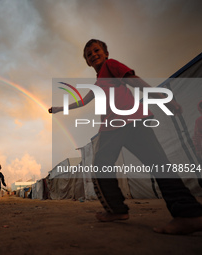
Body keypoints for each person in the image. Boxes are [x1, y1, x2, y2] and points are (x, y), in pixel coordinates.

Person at [49, 39, 202, 235]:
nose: (93, 55)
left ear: (106, 53)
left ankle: (120, 210)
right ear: (87, 62)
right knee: (158, 164)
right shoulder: (99, 82)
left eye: (97, 51)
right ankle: (188, 213)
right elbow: (82, 102)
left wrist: (163, 98)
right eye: (89, 54)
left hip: (119, 125)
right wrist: (59, 109)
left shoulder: (111, 65)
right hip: (133, 123)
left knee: (103, 166)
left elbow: (134, 80)